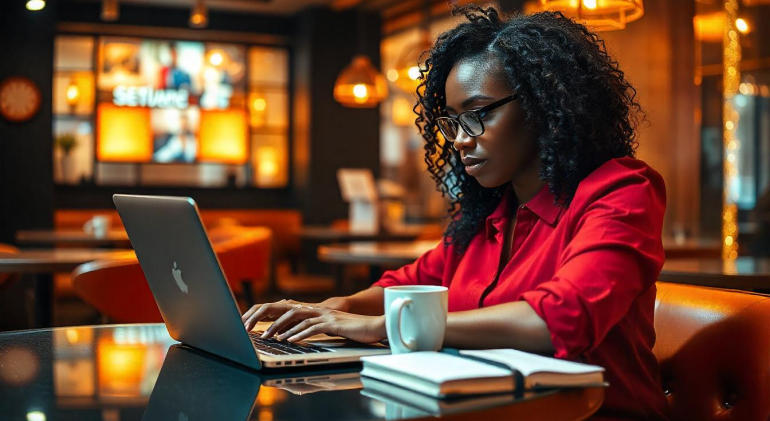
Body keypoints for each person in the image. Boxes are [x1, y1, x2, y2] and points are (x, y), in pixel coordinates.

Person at [243, 6, 669, 420]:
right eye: (452, 123)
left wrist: (383, 326)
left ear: (542, 105)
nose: (460, 141)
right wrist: (337, 308)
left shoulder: (622, 191)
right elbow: (409, 283)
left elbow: (560, 317)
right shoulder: (489, 214)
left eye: (478, 115)